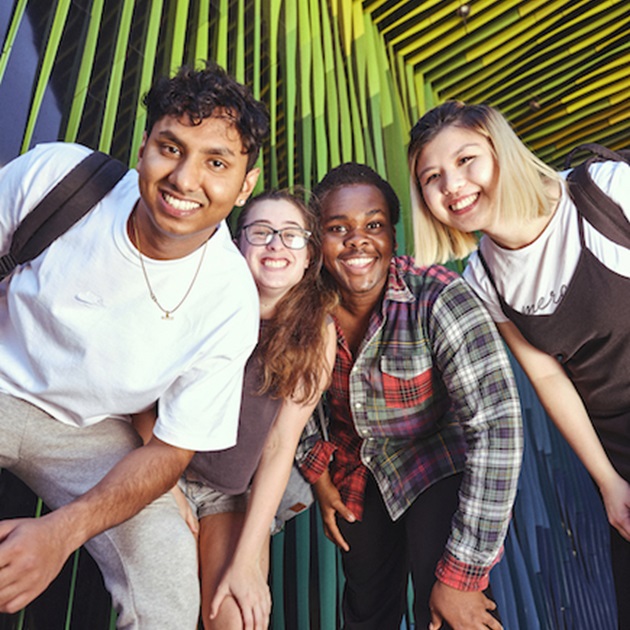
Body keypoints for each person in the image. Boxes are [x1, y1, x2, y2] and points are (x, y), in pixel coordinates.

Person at [0, 62, 268, 628]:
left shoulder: (229, 302)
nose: (184, 179)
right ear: (144, 146)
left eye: (216, 162)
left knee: (168, 593)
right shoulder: (61, 178)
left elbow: (171, 451)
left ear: (245, 185)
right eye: (171, 147)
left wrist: (59, 535)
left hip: (91, 434)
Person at [407, 100, 630, 627]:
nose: (452, 185)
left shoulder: (605, 189)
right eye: (432, 177)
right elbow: (550, 375)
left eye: (466, 160)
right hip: (618, 449)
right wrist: (609, 482)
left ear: (499, 150)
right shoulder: (484, 277)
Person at [297, 162, 523, 630]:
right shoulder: (299, 307)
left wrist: (462, 574)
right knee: (365, 609)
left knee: (446, 608)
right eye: (338, 228)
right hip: (356, 471)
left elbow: (497, 426)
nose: (358, 240)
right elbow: (282, 405)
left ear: (393, 239)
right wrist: (317, 473)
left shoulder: (438, 297)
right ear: (318, 243)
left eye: (373, 225)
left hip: (435, 461)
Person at [134, 189, 337, 630]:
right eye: (260, 232)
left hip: (228, 492)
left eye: (291, 235)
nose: (275, 245)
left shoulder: (317, 332)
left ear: (309, 257)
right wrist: (166, 486)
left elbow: (281, 446)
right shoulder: (198, 295)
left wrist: (247, 560)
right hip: (158, 463)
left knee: (239, 617)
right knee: (163, 611)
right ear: (238, 243)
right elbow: (137, 401)